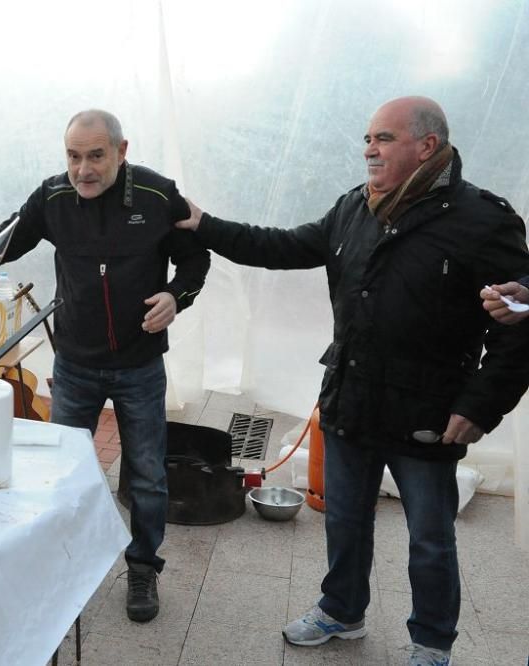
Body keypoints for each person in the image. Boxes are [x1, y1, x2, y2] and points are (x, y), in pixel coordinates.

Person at [177, 96, 529, 665]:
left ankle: (432, 643)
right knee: (343, 520)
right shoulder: (355, 209)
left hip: (428, 416)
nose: (368, 149)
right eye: (367, 138)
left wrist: (481, 406)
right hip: (351, 401)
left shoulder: (481, 220)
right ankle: (342, 611)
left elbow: (519, 324)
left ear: (427, 147)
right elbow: (283, 246)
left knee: (430, 540)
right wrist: (205, 225)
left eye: (383, 139)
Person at [0, 109, 210, 622]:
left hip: (138, 363)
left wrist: (176, 297)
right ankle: (58, 562)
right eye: (73, 156)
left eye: (95, 156)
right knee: (60, 470)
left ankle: (142, 569)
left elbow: (196, 260)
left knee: (149, 475)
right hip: (75, 363)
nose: (83, 169)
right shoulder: (51, 197)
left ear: (122, 150)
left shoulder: (158, 196)